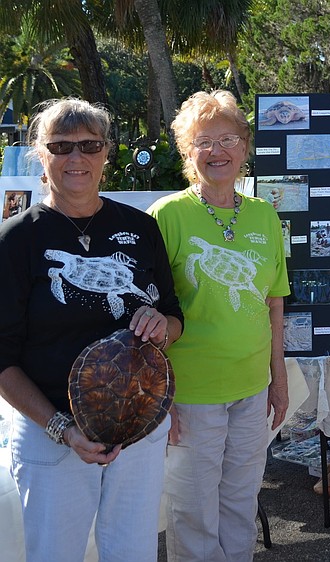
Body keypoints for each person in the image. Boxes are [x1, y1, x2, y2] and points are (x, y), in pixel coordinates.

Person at [0, 98, 183, 561]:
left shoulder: (140, 228)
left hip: (137, 424)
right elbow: (2, 359)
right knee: (54, 553)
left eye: (89, 145)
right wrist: (61, 428)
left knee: (132, 551)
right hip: (53, 431)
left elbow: (173, 315)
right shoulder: (16, 239)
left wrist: (162, 326)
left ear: (106, 153)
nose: (76, 157)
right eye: (61, 146)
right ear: (40, 155)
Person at [148, 90, 291, 561]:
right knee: (193, 512)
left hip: (251, 389)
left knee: (240, 502)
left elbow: (273, 305)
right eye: (204, 141)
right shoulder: (167, 216)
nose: (217, 151)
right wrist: (160, 395)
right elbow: (145, 312)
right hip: (190, 393)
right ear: (187, 152)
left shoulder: (264, 215)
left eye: (228, 139)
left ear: (245, 147)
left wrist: (278, 381)